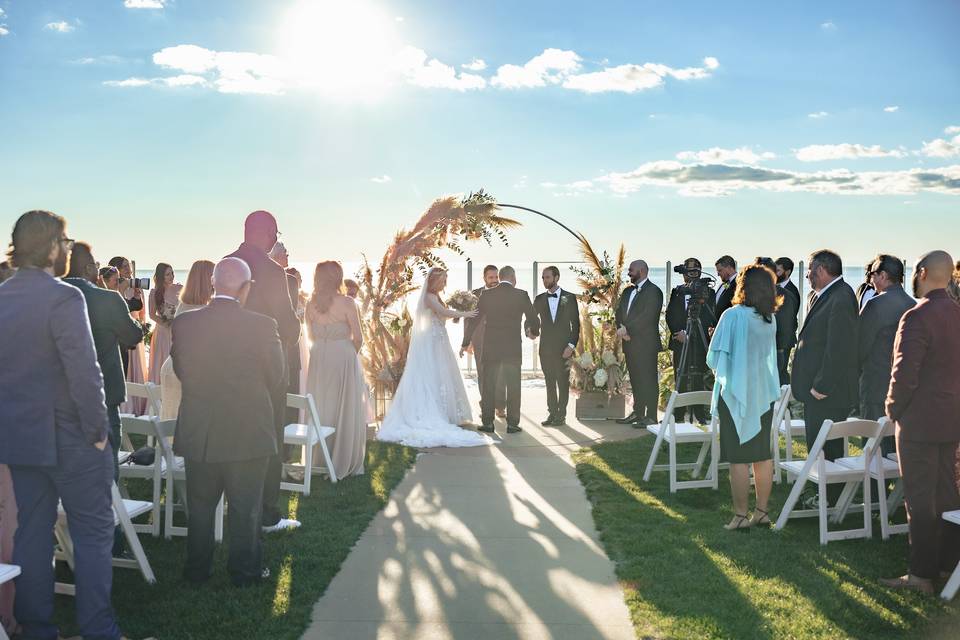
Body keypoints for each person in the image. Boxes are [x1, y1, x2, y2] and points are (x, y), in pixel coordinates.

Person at [0, 211, 124, 639]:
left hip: (20, 437)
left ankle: (36, 630)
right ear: (51, 246)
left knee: (31, 533)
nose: (69, 248)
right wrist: (99, 432)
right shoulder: (64, 297)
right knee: (92, 532)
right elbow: (85, 373)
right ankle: (99, 629)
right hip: (73, 435)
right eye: (66, 241)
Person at [172, 257, 285, 587]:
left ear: (213, 285)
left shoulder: (185, 323)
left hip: (201, 429)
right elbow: (277, 377)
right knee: (246, 508)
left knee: (201, 507)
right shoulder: (263, 325)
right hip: (248, 428)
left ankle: (196, 571)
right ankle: (245, 572)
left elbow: (181, 371)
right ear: (245, 288)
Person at [881, 250, 960, 595]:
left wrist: (893, 408)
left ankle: (920, 575)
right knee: (947, 494)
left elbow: (904, 372)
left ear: (925, 273)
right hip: (953, 419)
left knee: (919, 498)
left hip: (920, 422)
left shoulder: (917, 316)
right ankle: (947, 563)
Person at [64, 242, 145, 555]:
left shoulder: (50, 296)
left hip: (58, 400)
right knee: (105, 469)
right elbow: (133, 336)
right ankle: (108, 539)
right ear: (88, 269)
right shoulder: (105, 298)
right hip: (101, 396)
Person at [227, 210, 301, 532]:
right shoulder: (273, 272)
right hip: (265, 370)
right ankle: (266, 513)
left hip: (226, 366)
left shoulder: (225, 262)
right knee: (269, 438)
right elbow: (288, 325)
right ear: (269, 233)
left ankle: (233, 503)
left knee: (232, 433)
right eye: (276, 234)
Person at [378, 268, 493, 447]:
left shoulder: (436, 296)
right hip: (431, 341)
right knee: (432, 374)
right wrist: (464, 314)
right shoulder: (429, 298)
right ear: (433, 281)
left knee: (443, 374)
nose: (444, 283)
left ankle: (447, 412)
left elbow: (442, 316)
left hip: (440, 338)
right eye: (442, 280)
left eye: (445, 279)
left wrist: (457, 311)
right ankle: (434, 413)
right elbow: (443, 312)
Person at [707, 264, 781, 531]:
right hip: (762, 393)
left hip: (737, 393)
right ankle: (761, 512)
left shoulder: (732, 316)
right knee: (762, 454)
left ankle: (740, 515)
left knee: (738, 458)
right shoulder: (769, 319)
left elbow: (714, 356)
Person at [791, 249, 859, 505]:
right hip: (821, 393)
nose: (807, 275)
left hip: (827, 394)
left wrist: (822, 386)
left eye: (809, 270)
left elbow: (839, 347)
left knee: (826, 449)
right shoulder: (829, 295)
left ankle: (829, 499)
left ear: (820, 270)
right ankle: (829, 496)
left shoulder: (840, 297)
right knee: (821, 447)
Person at [304, 262, 368, 477]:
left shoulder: (310, 304)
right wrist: (349, 354)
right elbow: (358, 338)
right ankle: (341, 458)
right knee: (344, 406)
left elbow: (311, 337)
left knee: (321, 405)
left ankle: (320, 458)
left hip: (319, 356)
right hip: (342, 355)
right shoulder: (348, 303)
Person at [857, 255, 915, 449]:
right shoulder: (913, 305)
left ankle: (873, 481)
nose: (871, 278)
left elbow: (860, 347)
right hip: (905, 385)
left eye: (873, 273)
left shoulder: (875, 304)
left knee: (874, 446)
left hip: (875, 384)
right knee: (896, 444)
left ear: (883, 276)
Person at [474, 266, 540, 434]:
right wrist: (534, 331)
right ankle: (512, 424)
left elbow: (475, 319)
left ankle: (488, 423)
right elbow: (533, 317)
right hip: (512, 349)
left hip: (491, 349)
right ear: (513, 277)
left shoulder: (487, 295)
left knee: (488, 386)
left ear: (500, 277)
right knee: (513, 387)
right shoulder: (521, 295)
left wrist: (465, 341)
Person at [160, 260, 215, 421]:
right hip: (186, 373)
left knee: (172, 422)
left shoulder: (184, 305)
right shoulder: (201, 310)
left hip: (172, 368)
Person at [666, 258, 715, 422]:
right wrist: (678, 332)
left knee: (698, 377)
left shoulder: (709, 293)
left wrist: (692, 333)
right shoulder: (677, 291)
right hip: (679, 341)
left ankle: (699, 413)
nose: (690, 276)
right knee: (679, 375)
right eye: (688, 272)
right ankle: (678, 414)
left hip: (699, 343)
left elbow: (709, 317)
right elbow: (670, 314)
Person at [615, 259, 664, 427]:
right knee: (635, 379)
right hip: (629, 343)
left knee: (648, 380)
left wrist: (628, 330)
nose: (629, 273)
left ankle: (651, 416)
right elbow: (619, 312)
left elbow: (648, 317)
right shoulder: (628, 291)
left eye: (631, 270)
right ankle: (638, 412)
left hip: (646, 344)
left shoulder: (654, 291)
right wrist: (621, 329)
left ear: (642, 271)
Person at [533, 266, 580, 427]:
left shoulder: (569, 297)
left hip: (564, 349)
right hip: (545, 349)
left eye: (547, 277)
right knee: (550, 382)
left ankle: (562, 414)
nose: (545, 280)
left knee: (563, 382)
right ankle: (552, 413)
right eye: (543, 278)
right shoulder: (539, 299)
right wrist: (529, 330)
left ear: (556, 277)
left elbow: (576, 325)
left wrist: (571, 346)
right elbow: (531, 319)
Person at [460, 264, 506, 419]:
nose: (494, 280)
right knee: (483, 374)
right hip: (479, 340)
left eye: (496, 277)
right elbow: (468, 319)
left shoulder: (504, 293)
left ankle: (500, 406)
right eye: (491, 277)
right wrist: (469, 341)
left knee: (500, 375)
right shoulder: (474, 295)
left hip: (499, 341)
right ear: (484, 278)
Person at [109, 256, 148, 415]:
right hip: (120, 332)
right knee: (124, 367)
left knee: (135, 366)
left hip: (133, 328)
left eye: (128, 266)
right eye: (124, 266)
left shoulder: (134, 284)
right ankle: (124, 406)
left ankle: (137, 405)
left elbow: (138, 308)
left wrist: (138, 295)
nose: (128, 269)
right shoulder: (112, 288)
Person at [147, 263, 181, 385]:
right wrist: (167, 324)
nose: (171, 276)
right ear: (161, 276)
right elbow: (151, 315)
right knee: (162, 361)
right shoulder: (154, 292)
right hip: (162, 331)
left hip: (178, 331)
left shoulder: (180, 288)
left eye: (172, 273)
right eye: (167, 274)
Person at [773, 257, 801, 384]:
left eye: (778, 270)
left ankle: (784, 401)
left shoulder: (791, 291)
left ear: (787, 272)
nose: (775, 273)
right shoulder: (775, 288)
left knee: (781, 372)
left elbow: (789, 318)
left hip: (784, 340)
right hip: (776, 338)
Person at [714, 255, 738, 319]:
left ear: (729, 268)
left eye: (720, 270)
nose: (718, 274)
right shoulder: (724, 284)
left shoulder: (739, 283)